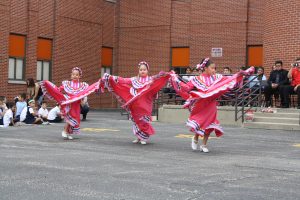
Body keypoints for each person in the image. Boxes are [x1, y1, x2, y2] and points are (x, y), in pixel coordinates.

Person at [170, 58, 254, 152]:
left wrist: (241, 74)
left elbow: (230, 80)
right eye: (212, 68)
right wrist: (175, 78)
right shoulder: (197, 79)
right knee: (200, 123)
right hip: (201, 104)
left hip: (211, 104)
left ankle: (204, 145)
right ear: (205, 68)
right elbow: (187, 87)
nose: (214, 70)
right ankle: (195, 138)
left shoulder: (217, 77)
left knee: (210, 125)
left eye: (215, 68)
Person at [102, 61, 171, 144]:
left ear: (147, 70)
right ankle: (138, 137)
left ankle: (143, 138)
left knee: (144, 120)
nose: (142, 71)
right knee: (136, 120)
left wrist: (165, 74)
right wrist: (112, 77)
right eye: (141, 69)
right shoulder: (135, 79)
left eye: (144, 69)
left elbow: (159, 79)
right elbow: (124, 80)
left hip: (146, 103)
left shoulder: (151, 79)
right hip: (136, 104)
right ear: (138, 70)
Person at [40, 67, 102, 139]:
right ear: (71, 75)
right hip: (70, 104)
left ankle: (68, 133)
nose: (75, 76)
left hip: (77, 105)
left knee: (75, 119)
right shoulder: (67, 84)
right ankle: (65, 130)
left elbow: (84, 93)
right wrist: (54, 89)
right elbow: (59, 89)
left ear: (79, 76)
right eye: (73, 74)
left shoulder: (82, 85)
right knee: (70, 118)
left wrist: (82, 100)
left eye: (76, 75)